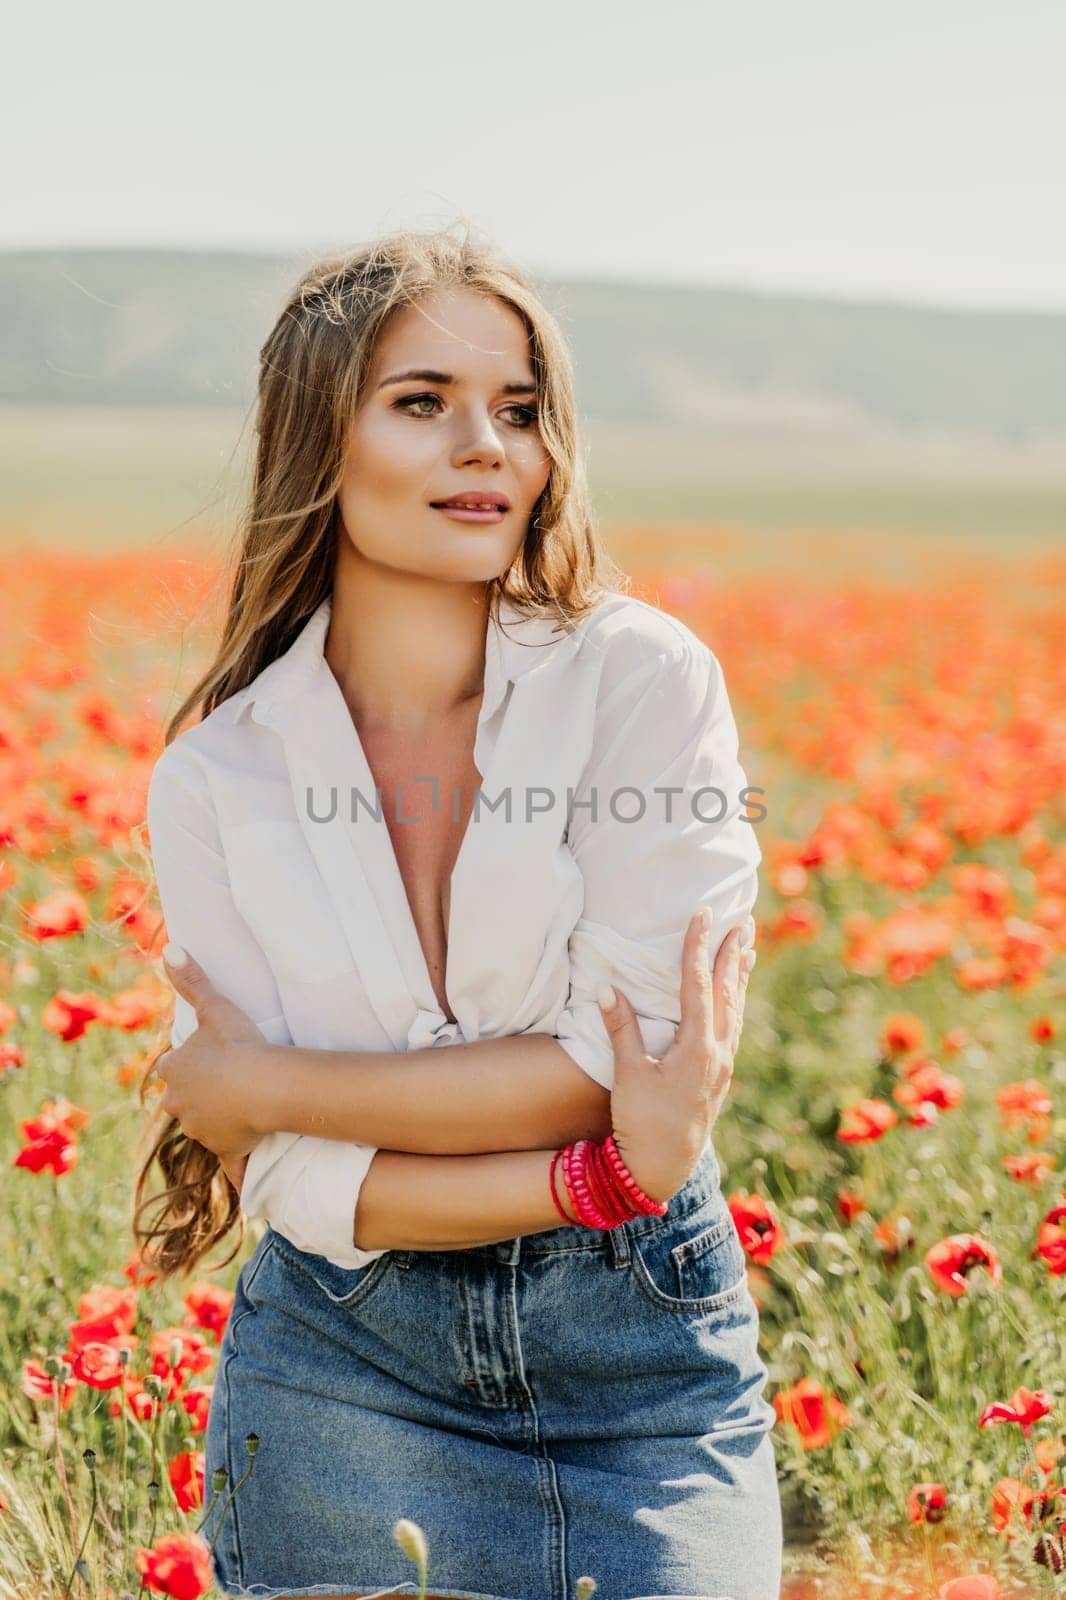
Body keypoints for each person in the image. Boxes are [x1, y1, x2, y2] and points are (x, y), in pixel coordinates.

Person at [135, 225, 781, 1600]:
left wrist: (257, 1081)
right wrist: (594, 1174)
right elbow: (292, 1183)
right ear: (320, 440)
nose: (488, 444)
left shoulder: (639, 682)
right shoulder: (217, 778)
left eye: (521, 409)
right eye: (422, 403)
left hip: (641, 1369)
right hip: (342, 1368)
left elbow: (616, 1067)